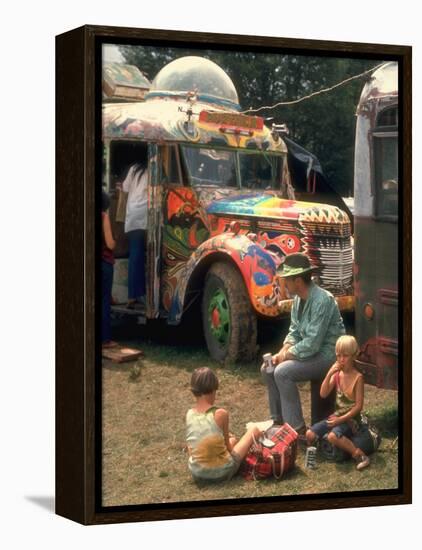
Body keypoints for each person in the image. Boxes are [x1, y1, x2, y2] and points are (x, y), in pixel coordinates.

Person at [261, 252, 345, 435]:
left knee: (283, 372)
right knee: (268, 368)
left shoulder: (322, 300)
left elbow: (313, 344)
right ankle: (277, 422)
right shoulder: (299, 300)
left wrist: (286, 356)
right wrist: (282, 351)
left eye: (287, 280)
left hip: (328, 356)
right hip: (311, 353)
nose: (284, 283)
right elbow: (295, 332)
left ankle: (296, 430)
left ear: (298, 281)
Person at [306, 335, 371, 470]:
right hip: (336, 417)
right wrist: (329, 373)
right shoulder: (337, 374)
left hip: (351, 420)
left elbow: (358, 407)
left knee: (333, 436)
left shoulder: (358, 378)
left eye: (345, 356)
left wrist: (339, 420)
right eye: (338, 355)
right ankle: (323, 447)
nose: (341, 359)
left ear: (353, 356)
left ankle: (359, 455)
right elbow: (323, 393)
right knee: (309, 434)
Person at [186, 367, 262, 483]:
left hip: (197, 474)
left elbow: (191, 448)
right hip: (222, 472)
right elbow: (229, 449)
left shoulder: (189, 414)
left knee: (232, 440)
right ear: (213, 390)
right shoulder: (221, 414)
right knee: (253, 431)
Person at [119, 161, 148, 308]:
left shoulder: (134, 169)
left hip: (132, 216)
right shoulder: (152, 169)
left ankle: (133, 295)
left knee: (134, 255)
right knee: (138, 255)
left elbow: (124, 188)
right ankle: (136, 295)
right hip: (144, 216)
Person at [102, 189, 117, 348]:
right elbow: (110, 244)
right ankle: (105, 339)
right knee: (104, 301)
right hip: (104, 264)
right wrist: (115, 240)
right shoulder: (103, 216)